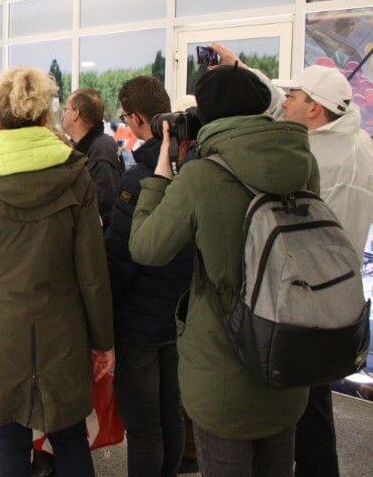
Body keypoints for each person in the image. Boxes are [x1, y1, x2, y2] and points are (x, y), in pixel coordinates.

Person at [129, 64, 317, 477]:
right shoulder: (303, 163)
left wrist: (161, 176)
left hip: (224, 374)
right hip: (288, 360)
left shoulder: (202, 176)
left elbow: (146, 248)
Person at [0, 67, 115, 477]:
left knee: (8, 440)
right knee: (70, 437)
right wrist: (104, 341)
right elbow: (93, 271)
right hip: (64, 326)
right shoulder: (75, 171)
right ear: (45, 118)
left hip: (1, 324)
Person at [273, 64, 371, 477]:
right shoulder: (356, 140)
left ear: (314, 109)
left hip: (309, 296)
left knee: (306, 408)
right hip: (335, 292)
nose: (286, 103)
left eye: (294, 97)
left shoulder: (318, 157)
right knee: (315, 403)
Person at [103, 77, 192, 477]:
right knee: (170, 413)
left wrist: (102, 315)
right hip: (177, 316)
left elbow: (120, 258)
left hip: (137, 321)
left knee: (143, 425)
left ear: (137, 119)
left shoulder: (139, 179)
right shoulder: (195, 171)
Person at [62, 88, 122, 227]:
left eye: (66, 109)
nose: (63, 114)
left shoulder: (102, 150)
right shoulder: (80, 146)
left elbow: (103, 207)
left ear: (76, 114)